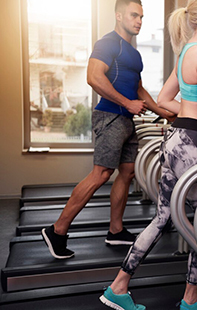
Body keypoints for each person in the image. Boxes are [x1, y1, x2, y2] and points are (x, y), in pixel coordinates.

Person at [99, 0, 197, 309]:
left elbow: (164, 100)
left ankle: (119, 287)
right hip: (190, 144)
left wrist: (195, 113)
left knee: (164, 217)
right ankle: (191, 298)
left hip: (176, 138)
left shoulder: (186, 53)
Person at [41, 0, 175, 260]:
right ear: (119, 15)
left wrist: (165, 113)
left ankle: (115, 230)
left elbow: (138, 90)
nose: (139, 20)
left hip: (127, 120)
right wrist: (127, 103)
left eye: (142, 17)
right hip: (110, 116)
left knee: (127, 172)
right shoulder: (108, 43)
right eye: (134, 15)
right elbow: (93, 76)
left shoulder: (134, 53)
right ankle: (57, 231)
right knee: (101, 174)